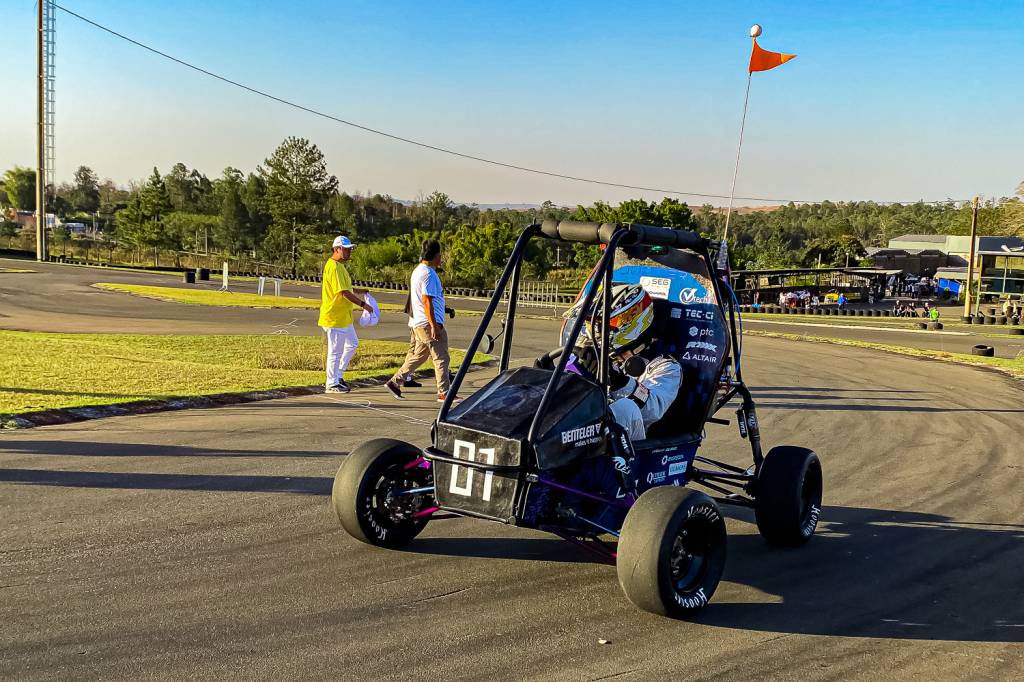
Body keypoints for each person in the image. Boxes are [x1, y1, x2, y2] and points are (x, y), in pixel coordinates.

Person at [568, 284, 680, 442]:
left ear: (633, 321)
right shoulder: (596, 356)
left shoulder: (665, 366)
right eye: (595, 322)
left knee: (626, 409)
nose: (598, 329)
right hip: (587, 433)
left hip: (635, 446)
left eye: (608, 322)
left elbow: (652, 411)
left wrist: (617, 381)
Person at [385, 239, 453, 402]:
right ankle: (444, 393)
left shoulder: (419, 271)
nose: (441, 258)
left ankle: (395, 382)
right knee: (441, 357)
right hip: (427, 323)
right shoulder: (428, 273)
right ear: (436, 255)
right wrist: (433, 325)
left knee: (420, 356)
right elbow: (426, 300)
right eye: (440, 255)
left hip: (419, 322)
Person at [320, 236, 374, 393]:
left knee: (352, 343)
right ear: (337, 249)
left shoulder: (340, 267)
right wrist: (364, 305)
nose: (350, 251)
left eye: (350, 248)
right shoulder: (334, 267)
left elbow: (347, 288)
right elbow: (343, 292)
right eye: (347, 248)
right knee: (335, 351)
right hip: (334, 316)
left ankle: (338, 375)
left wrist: (361, 291)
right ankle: (331, 383)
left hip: (343, 316)